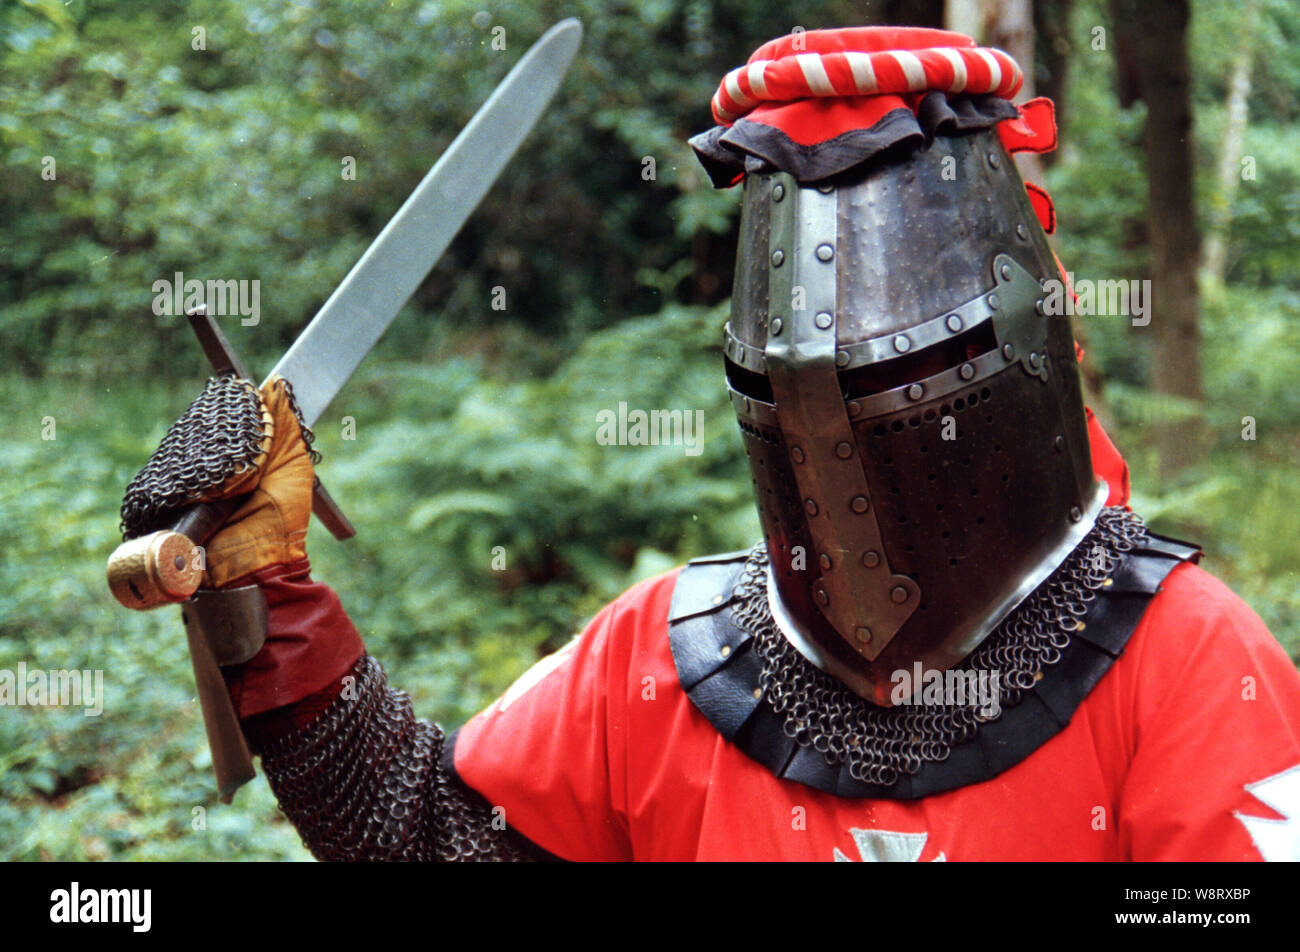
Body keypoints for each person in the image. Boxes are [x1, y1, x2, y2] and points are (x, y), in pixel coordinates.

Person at [118, 26, 1300, 862]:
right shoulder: (660, 657)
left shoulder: (1186, 668)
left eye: (902, 392)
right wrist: (261, 590)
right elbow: (435, 838)